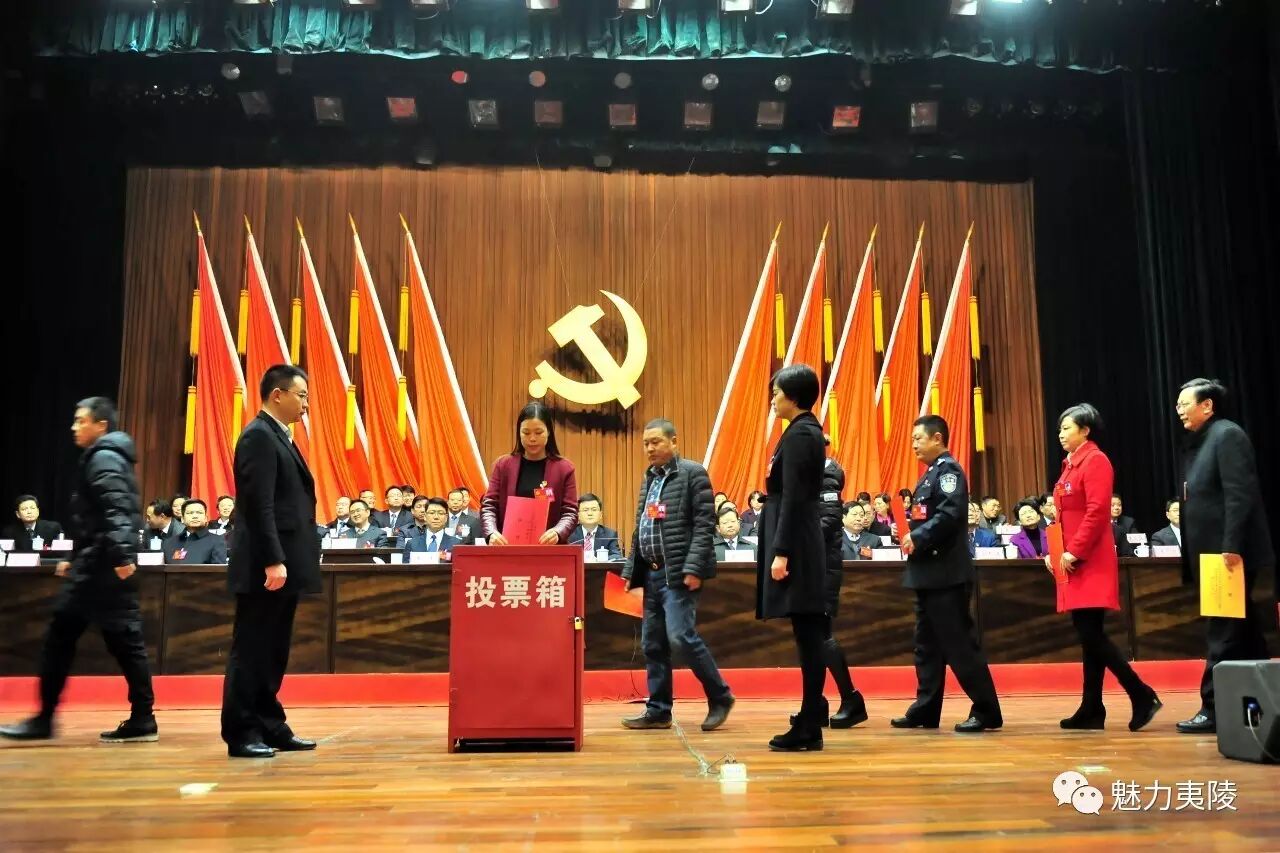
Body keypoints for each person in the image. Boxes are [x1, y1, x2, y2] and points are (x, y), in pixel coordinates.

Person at [0, 397, 156, 743]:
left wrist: (121, 558)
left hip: (102, 568)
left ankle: (45, 719)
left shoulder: (104, 458)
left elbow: (117, 510)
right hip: (100, 563)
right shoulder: (108, 456)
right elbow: (97, 517)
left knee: (65, 638)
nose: (74, 427)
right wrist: (77, 555)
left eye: (81, 421)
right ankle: (142, 718)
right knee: (123, 641)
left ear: (101, 425)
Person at [221, 365, 321, 759]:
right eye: (301, 396)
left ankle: (270, 725)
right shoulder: (258, 436)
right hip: (266, 566)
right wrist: (273, 559)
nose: (306, 405)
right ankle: (241, 731)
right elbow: (258, 505)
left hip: (284, 563)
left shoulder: (279, 436)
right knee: (252, 649)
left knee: (273, 649)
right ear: (277, 394)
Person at [1049, 403, 1161, 731]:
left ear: (1085, 431)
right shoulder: (1070, 464)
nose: (1060, 434)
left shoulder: (1095, 461)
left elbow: (1097, 512)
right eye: (1059, 429)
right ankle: (1092, 708)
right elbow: (1063, 515)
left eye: (1066, 428)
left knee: (1091, 634)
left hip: (1089, 559)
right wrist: (1054, 551)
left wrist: (1074, 551)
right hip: (1072, 558)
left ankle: (1141, 694)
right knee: (1089, 635)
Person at [620, 418, 734, 733]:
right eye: (646, 443)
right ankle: (658, 711)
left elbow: (704, 524)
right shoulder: (649, 478)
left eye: (656, 441)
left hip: (679, 573)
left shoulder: (692, 473)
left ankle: (720, 696)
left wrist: (694, 568)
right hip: (652, 574)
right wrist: (631, 571)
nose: (649, 448)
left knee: (680, 636)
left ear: (674, 441)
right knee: (652, 644)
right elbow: (641, 528)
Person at [1174, 378, 1273, 735]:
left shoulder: (1227, 435)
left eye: (1185, 404)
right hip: (1212, 555)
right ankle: (1262, 704)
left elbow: (1238, 494)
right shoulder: (1202, 442)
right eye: (1177, 405)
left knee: (1223, 631)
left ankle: (1212, 708)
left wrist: (1231, 545)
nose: (1179, 410)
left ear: (1207, 406)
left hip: (1226, 556)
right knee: (1244, 632)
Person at [892, 414, 1002, 733]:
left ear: (937, 438)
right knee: (926, 645)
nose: (914, 444)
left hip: (946, 575)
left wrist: (918, 536)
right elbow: (927, 515)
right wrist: (910, 532)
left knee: (959, 645)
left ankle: (987, 711)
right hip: (928, 573)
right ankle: (926, 708)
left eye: (918, 438)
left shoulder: (949, 471)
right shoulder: (930, 474)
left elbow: (950, 515)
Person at [756, 365, 831, 751]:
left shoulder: (802, 434)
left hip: (797, 544)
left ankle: (809, 724)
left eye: (777, 392)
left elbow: (796, 498)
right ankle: (811, 715)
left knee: (809, 633)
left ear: (794, 396)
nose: (773, 398)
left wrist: (781, 551)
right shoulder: (799, 431)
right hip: (796, 538)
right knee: (807, 632)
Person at [813, 436, 867, 728]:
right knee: (812, 635)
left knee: (821, 634)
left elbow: (827, 521)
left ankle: (850, 698)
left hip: (823, 567)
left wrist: (793, 543)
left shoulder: (827, 475)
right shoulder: (813, 472)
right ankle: (815, 703)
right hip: (815, 565)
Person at [482, 402, 578, 546]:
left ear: (549, 432)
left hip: (549, 550)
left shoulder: (564, 468)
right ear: (518, 433)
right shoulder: (503, 465)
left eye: (538, 432)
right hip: (508, 547)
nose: (532, 438)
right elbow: (489, 505)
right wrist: (491, 533)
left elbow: (570, 511)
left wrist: (558, 532)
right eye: (526, 433)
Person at [163, 499, 229, 564]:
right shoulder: (168, 543)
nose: (195, 516)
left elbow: (218, 570)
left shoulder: (217, 541)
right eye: (190, 513)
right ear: (182, 519)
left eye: (199, 513)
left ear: (206, 518)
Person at [567, 493, 623, 561]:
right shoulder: (569, 534)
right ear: (578, 515)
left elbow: (617, 556)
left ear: (600, 514)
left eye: (594, 510)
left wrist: (599, 560)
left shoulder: (610, 535)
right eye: (585, 510)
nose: (590, 513)